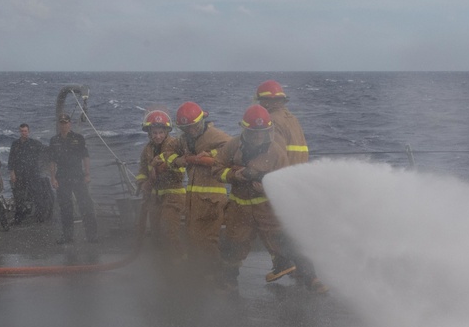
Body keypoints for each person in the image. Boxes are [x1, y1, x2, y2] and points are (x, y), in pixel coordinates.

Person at [211, 105, 326, 293]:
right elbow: (216, 169)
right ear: (245, 130)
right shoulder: (232, 146)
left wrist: (265, 188)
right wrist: (235, 176)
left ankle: (312, 279)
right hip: (239, 210)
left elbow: (284, 183)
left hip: (267, 209)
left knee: (287, 242)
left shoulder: (277, 152)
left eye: (262, 133)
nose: (258, 137)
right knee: (233, 245)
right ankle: (229, 281)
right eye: (254, 133)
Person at [255, 80, 309, 282]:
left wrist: (263, 178)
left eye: (261, 101)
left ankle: (283, 263)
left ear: (267, 102)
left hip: (282, 180)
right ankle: (306, 274)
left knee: (270, 223)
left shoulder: (273, 121)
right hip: (298, 179)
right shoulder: (292, 119)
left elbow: (274, 155)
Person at [169, 101, 231, 277]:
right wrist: (178, 160)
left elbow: (232, 150)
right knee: (193, 237)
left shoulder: (214, 135)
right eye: (187, 128)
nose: (191, 130)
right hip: (193, 200)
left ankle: (217, 275)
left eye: (194, 126)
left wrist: (210, 155)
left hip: (212, 198)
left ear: (202, 120)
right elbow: (168, 152)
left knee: (208, 240)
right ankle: (201, 273)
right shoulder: (183, 140)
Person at [135, 109, 186, 262]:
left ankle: (179, 263)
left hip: (173, 195)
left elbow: (180, 171)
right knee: (156, 234)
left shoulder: (174, 145)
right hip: (155, 198)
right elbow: (143, 171)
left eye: (161, 132)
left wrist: (163, 168)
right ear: (149, 133)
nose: (158, 136)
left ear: (166, 131)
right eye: (154, 132)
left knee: (168, 231)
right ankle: (163, 264)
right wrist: (142, 183)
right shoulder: (147, 150)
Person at [48, 113, 98, 244]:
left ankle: (92, 236)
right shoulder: (54, 141)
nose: (64, 125)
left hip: (77, 176)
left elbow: (85, 157)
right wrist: (53, 178)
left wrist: (87, 174)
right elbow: (52, 161)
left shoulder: (78, 138)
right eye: (62, 123)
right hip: (62, 177)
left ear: (70, 124)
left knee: (85, 205)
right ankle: (68, 236)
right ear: (59, 124)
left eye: (66, 122)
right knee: (65, 208)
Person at [8, 123, 49, 224]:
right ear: (19, 132)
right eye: (22, 131)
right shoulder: (15, 144)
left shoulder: (34, 143)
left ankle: (40, 217)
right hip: (20, 174)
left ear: (28, 132)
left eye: (25, 131)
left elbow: (46, 151)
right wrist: (12, 172)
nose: (24, 133)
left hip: (32, 173)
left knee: (37, 195)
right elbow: (11, 159)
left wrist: (47, 166)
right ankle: (19, 218)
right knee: (19, 197)